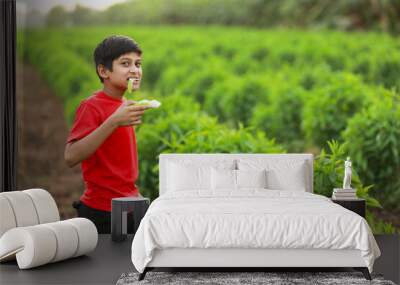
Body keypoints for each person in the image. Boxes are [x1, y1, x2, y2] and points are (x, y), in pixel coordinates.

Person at [64, 35, 149, 233]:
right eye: (125, 64)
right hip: (102, 211)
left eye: (138, 64)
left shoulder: (123, 105)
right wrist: (114, 121)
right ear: (103, 71)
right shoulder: (91, 106)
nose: (135, 70)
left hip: (131, 203)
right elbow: (71, 156)